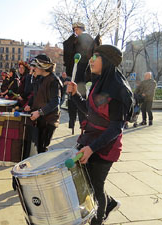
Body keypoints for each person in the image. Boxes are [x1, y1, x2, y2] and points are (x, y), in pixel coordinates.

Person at [67, 45, 134, 225]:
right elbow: (90, 112)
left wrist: (92, 149)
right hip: (89, 139)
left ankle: (98, 221)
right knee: (87, 183)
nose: (91, 60)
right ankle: (110, 203)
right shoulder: (98, 82)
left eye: (96, 56)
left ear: (107, 61)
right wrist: (75, 95)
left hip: (106, 146)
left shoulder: (119, 89)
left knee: (96, 187)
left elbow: (115, 128)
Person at [63, 22, 99, 134]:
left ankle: (83, 123)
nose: (75, 31)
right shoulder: (73, 40)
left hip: (82, 69)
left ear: (82, 29)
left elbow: (94, 49)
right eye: (74, 29)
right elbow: (68, 48)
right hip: (75, 67)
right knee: (72, 100)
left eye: (77, 29)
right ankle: (72, 122)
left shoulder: (87, 38)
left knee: (81, 98)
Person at [26, 54, 62, 153]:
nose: (33, 68)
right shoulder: (40, 78)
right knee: (37, 147)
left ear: (43, 66)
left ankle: (42, 168)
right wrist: (29, 104)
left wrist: (39, 112)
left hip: (49, 120)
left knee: (42, 148)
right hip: (41, 118)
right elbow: (35, 94)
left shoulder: (54, 81)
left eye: (36, 66)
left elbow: (55, 101)